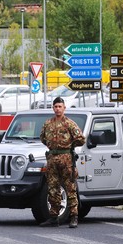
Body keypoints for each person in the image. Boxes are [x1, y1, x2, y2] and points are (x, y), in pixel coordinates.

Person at [39, 97, 85, 228]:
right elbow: (42, 138)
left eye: (60, 106)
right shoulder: (48, 123)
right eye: (55, 107)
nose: (58, 109)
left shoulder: (69, 123)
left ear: (64, 108)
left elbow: (81, 139)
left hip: (66, 158)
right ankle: (54, 217)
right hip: (52, 158)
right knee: (53, 188)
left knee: (70, 187)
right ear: (53, 108)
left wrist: (69, 146)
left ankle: (74, 216)